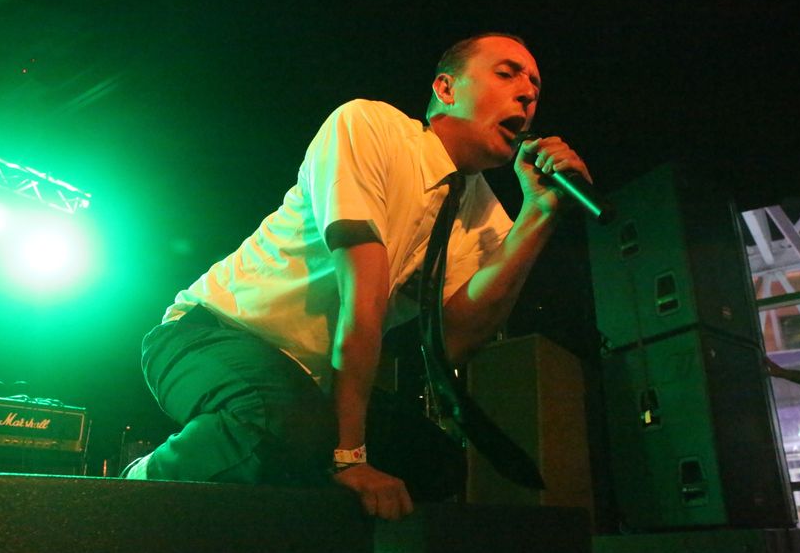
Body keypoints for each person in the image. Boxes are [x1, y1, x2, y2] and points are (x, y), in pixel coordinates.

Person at [126, 33, 591, 521]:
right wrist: (350, 457)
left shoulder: (484, 216)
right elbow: (362, 298)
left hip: (311, 383)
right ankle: (139, 484)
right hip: (207, 336)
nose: (527, 93)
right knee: (291, 424)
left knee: (435, 465)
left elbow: (454, 342)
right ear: (446, 89)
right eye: (507, 73)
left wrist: (539, 214)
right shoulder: (369, 127)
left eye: (535, 86)